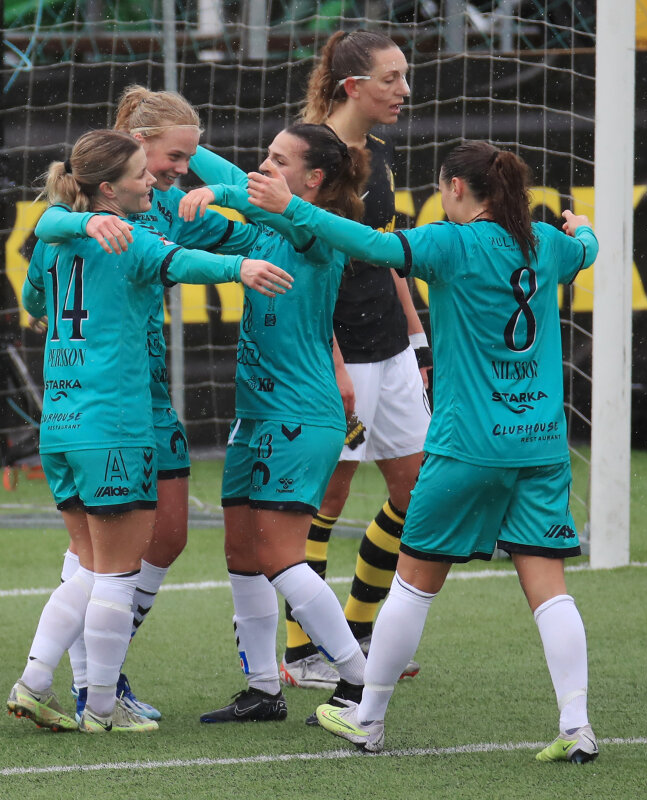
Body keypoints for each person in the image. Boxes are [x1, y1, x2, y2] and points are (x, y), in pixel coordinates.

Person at [238, 140, 599, 759]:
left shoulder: (449, 244)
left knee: (412, 585)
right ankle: (577, 727)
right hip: (541, 445)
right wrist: (581, 225)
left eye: (441, 188)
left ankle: (369, 719)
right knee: (549, 587)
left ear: (456, 189)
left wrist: (291, 207)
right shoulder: (549, 243)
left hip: (467, 447)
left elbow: (369, 246)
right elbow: (588, 249)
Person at [8, 129, 291, 734]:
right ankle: (101, 707)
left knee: (89, 567)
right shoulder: (129, 238)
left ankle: (34, 681)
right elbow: (181, 262)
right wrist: (241, 268)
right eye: (141, 174)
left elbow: (34, 301)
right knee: (116, 573)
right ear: (108, 189)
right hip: (115, 424)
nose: (152, 184)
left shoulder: (55, 242)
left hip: (60, 424)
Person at [180, 124, 374, 722]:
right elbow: (233, 186)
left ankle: (362, 682)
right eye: (265, 155)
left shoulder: (320, 232)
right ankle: (264, 689)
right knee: (241, 552)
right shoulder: (266, 229)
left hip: (301, 416)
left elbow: (261, 203)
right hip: (255, 415)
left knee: (281, 555)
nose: (263, 166)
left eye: (278, 160)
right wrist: (178, 145)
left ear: (313, 179)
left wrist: (222, 193)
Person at [279, 29, 430, 691]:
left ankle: (356, 633)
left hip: (391, 351)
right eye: (391, 78)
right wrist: (334, 365)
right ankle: (303, 652)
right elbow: (307, 275)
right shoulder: (311, 159)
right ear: (352, 86)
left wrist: (418, 342)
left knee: (415, 494)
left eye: (404, 76)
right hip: (336, 355)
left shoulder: (379, 155)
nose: (404, 90)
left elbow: (388, 256)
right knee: (324, 500)